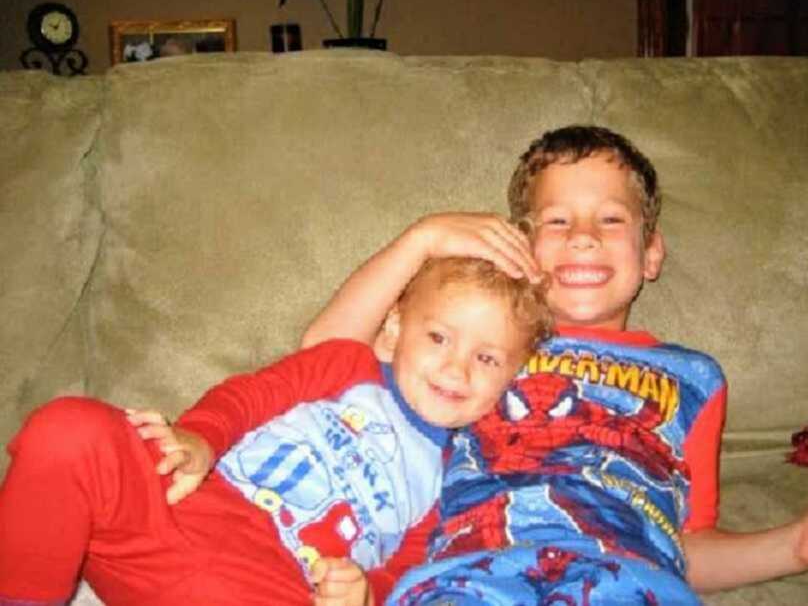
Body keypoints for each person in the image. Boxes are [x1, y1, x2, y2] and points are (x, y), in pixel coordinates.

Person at [300, 125, 808, 604]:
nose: (583, 237)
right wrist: (422, 241)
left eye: (611, 219)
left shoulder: (694, 379)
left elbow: (684, 545)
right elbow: (322, 360)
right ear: (519, 248)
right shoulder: (470, 339)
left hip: (626, 579)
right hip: (468, 572)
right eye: (556, 221)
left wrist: (799, 544)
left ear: (652, 252)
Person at [0, 257, 552, 606]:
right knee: (70, 429)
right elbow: (252, 395)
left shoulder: (460, 477)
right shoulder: (345, 364)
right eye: (438, 338)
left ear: (511, 380)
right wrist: (198, 439)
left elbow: (411, 567)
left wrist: (367, 593)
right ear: (393, 330)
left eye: (486, 357)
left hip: (272, 583)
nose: (457, 369)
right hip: (179, 508)